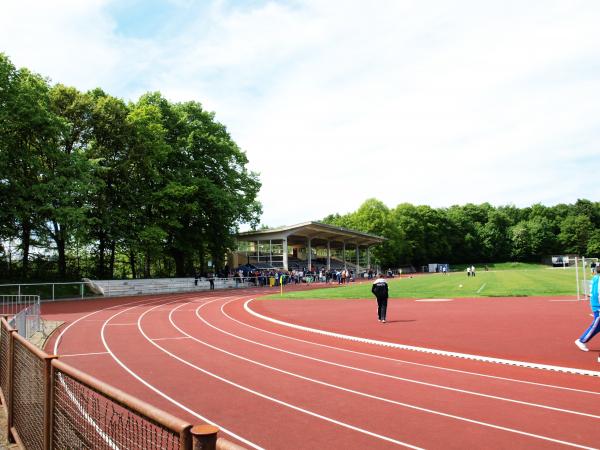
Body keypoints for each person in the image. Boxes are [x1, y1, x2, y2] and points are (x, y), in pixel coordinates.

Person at [575, 265, 600, 352]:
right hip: (598, 306)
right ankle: (582, 340)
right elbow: (598, 293)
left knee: (598, 325)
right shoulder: (598, 279)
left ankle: (582, 340)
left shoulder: (595, 278)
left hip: (596, 303)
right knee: (597, 324)